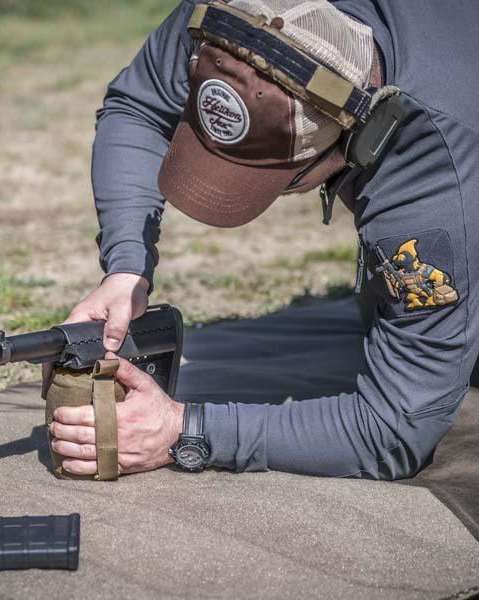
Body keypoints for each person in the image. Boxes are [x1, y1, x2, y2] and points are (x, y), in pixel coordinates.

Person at [46, 0, 479, 479]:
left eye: (278, 179)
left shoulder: (436, 161)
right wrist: (126, 266)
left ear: (354, 141)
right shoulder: (237, 17)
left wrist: (183, 429)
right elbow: (139, 105)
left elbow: (395, 430)